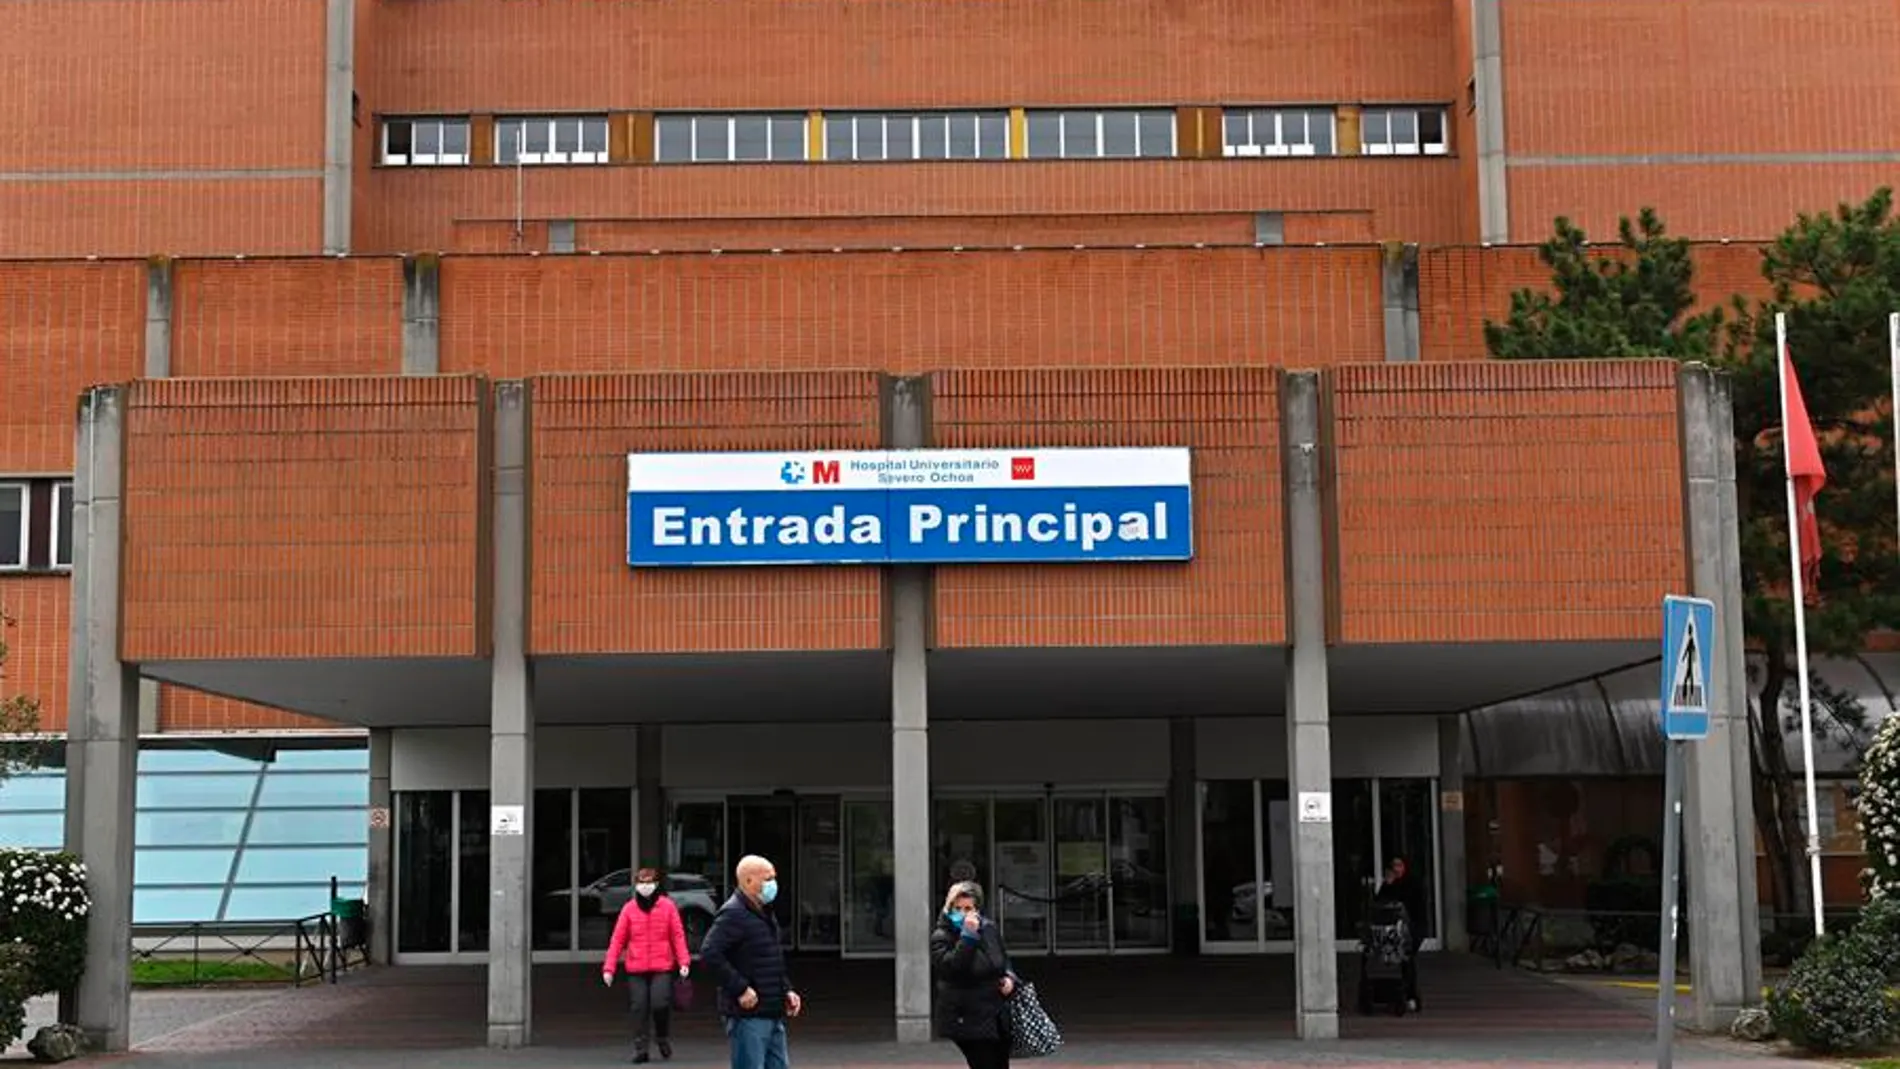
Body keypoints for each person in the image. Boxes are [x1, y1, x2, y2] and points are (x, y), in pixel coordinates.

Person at [699, 854, 802, 1069]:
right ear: (748, 881)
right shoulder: (733, 913)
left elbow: (770, 958)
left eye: (773, 878)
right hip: (748, 1016)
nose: (772, 884)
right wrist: (740, 988)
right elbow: (710, 953)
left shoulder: (765, 913)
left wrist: (786, 989)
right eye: (767, 879)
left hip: (772, 1011)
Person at [602, 865, 692, 1063]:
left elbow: (677, 935)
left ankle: (662, 1037)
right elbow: (617, 939)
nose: (645, 886)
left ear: (656, 884)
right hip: (636, 967)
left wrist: (683, 960)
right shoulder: (629, 909)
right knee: (639, 1006)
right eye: (641, 883)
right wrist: (609, 967)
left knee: (660, 1003)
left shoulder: (667, 907)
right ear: (635, 885)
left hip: (662, 966)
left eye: (649, 882)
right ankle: (640, 1048)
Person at [931, 880, 1016, 1069]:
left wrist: (1009, 977)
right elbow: (954, 967)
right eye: (957, 908)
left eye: (968, 908)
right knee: (983, 1062)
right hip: (966, 1016)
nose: (963, 913)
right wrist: (967, 936)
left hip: (994, 1013)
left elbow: (1002, 959)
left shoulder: (988, 929)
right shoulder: (942, 936)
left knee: (1000, 1063)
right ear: (949, 908)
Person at [1372, 856, 1425, 1011]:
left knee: (1408, 960)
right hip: (1393, 929)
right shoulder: (1390, 884)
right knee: (1403, 961)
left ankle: (1411, 996)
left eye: (1399, 865)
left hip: (1413, 927)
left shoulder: (1413, 883)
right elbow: (1380, 903)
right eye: (1394, 865)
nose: (1397, 869)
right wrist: (1388, 885)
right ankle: (1403, 994)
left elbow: (1416, 908)